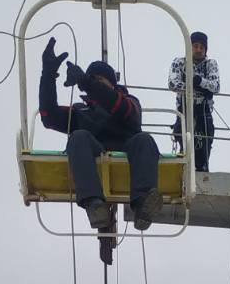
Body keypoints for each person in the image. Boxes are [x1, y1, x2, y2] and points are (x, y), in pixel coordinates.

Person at [38, 38, 162, 233]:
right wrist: (48, 74)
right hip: (94, 149)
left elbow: (122, 109)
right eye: (93, 80)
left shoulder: (128, 102)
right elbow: (49, 117)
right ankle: (94, 204)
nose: (96, 84)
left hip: (127, 146)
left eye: (100, 81)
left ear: (112, 85)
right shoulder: (81, 110)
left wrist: (88, 83)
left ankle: (143, 203)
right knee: (78, 137)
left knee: (144, 140)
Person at [168, 31, 219, 171]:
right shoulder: (179, 62)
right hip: (184, 111)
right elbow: (173, 84)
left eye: (201, 47)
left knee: (204, 147)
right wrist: (197, 86)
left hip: (204, 113)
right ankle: (185, 170)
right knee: (185, 143)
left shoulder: (211, 64)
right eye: (195, 46)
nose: (198, 49)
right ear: (189, 47)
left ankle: (202, 170)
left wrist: (199, 81)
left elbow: (215, 86)